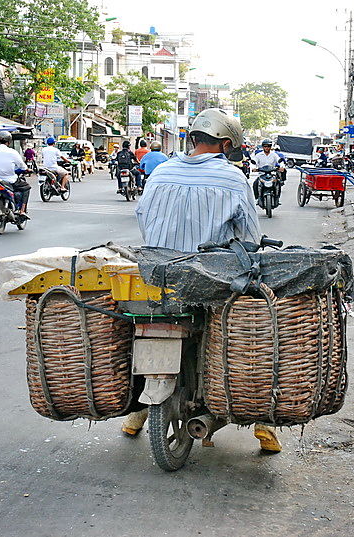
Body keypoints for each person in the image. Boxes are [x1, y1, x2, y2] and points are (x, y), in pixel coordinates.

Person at [132, 108, 281, 453]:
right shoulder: (232, 178)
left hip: (157, 276)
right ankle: (264, 423)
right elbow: (250, 237)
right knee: (255, 334)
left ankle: (137, 415)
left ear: (193, 139)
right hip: (210, 281)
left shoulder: (161, 172)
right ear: (226, 144)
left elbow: (142, 216)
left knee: (140, 325)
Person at [0, 131, 30, 215]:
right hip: (9, 180)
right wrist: (27, 169)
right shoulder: (12, 152)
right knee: (26, 187)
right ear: (9, 142)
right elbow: (22, 166)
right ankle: (22, 211)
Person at [251, 138, 285, 203]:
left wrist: (282, 167)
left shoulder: (274, 155)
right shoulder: (258, 155)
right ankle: (258, 198)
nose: (267, 148)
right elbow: (254, 161)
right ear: (263, 147)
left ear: (270, 147)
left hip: (272, 174)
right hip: (262, 174)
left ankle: (277, 197)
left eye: (268, 146)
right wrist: (253, 168)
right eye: (265, 146)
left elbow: (279, 161)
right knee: (255, 184)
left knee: (278, 184)